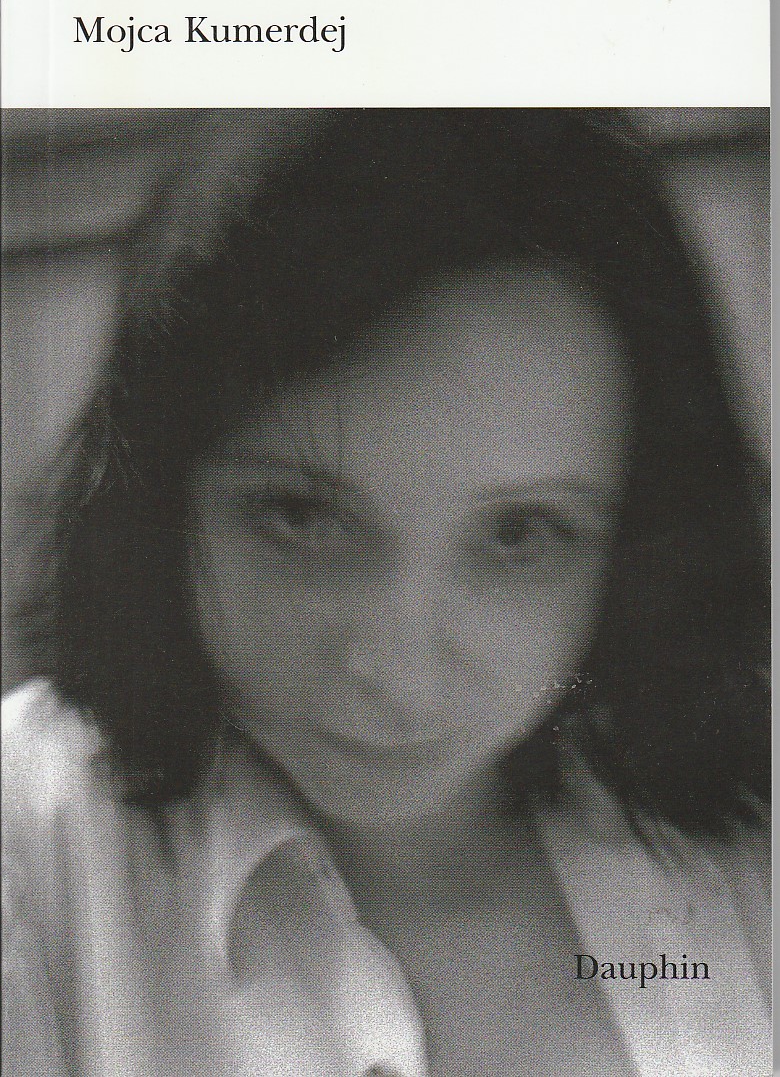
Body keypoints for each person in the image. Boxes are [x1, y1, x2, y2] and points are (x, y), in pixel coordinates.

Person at [3, 110, 769, 1076]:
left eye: (520, 535)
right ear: (165, 496)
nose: (398, 675)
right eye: (301, 517)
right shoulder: (31, 851)